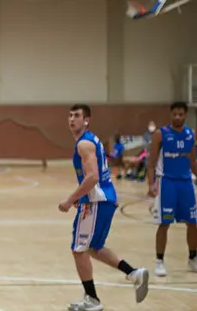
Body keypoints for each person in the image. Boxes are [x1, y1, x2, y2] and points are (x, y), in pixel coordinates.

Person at [61, 104, 149, 311]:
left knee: (78, 249)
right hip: (102, 199)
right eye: (70, 115)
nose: (72, 119)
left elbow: (92, 177)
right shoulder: (91, 140)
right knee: (94, 248)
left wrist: (70, 199)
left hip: (95, 202)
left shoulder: (84, 144)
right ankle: (133, 273)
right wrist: (79, 197)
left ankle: (92, 300)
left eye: (77, 116)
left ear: (87, 120)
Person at [146, 101, 197, 277]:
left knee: (193, 222)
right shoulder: (161, 134)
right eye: (174, 114)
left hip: (186, 183)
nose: (177, 117)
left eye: (180, 114)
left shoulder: (191, 134)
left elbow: (192, 162)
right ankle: (159, 261)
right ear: (171, 115)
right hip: (167, 182)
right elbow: (151, 163)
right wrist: (151, 185)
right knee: (164, 223)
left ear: (185, 116)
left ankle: (192, 258)